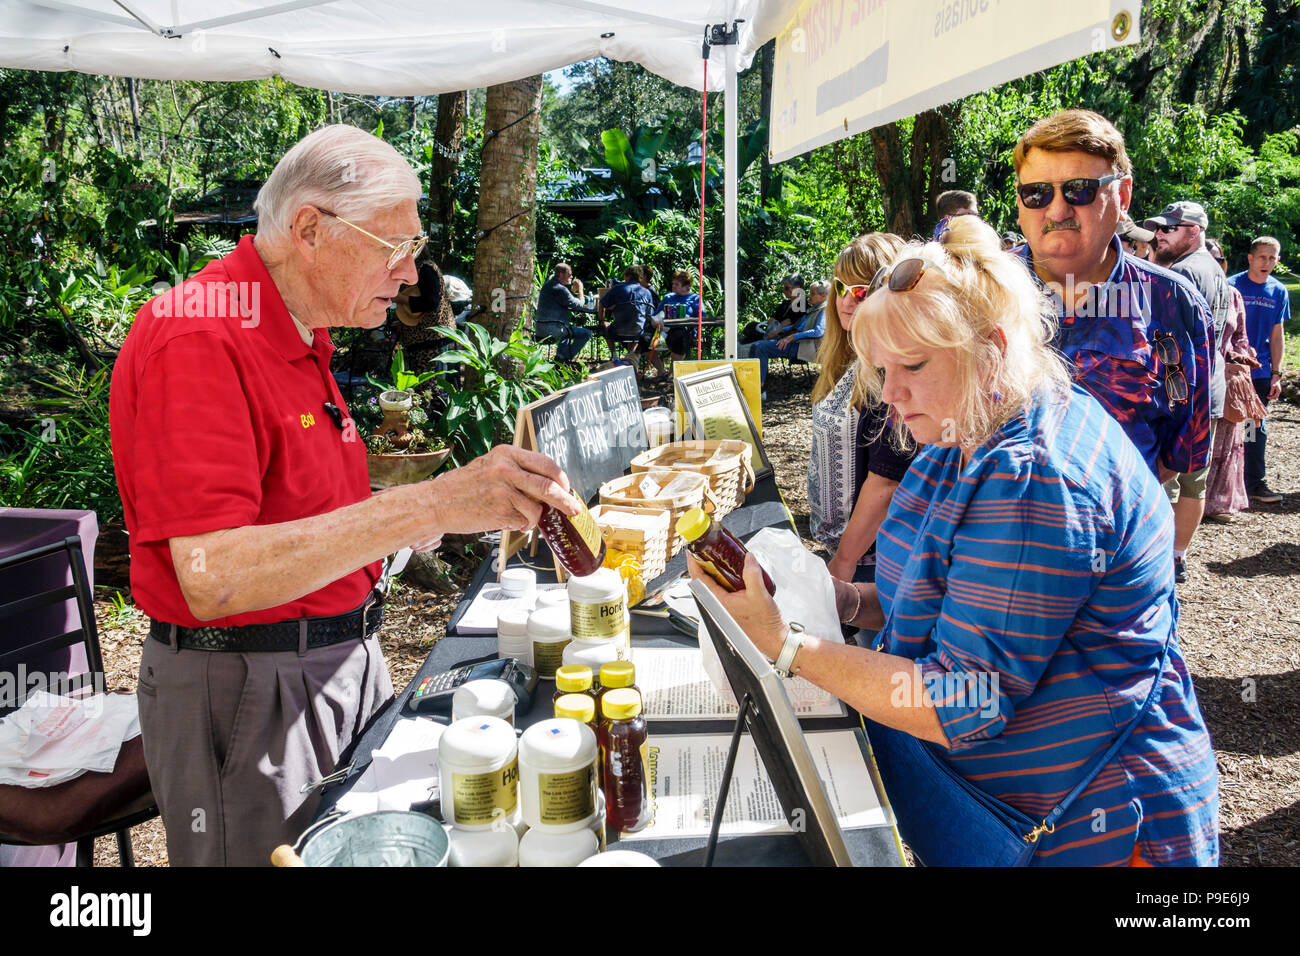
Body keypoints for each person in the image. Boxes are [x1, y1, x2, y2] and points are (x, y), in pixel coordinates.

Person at [109, 124, 580, 866]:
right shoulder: (199, 337)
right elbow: (215, 576)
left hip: (328, 662)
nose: (409, 273)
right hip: (249, 688)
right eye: (395, 247)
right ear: (310, 229)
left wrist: (407, 522)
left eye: (416, 248)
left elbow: (297, 510)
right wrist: (431, 505)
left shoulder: (295, 330)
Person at [689, 216, 1219, 866]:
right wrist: (848, 601)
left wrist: (784, 645)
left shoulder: (1032, 478)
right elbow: (951, 587)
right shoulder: (973, 423)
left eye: (911, 365)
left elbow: (964, 702)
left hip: (1089, 827)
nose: (891, 394)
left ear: (991, 348)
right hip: (1019, 802)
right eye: (881, 369)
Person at [1012, 109, 1213, 485]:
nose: (1057, 210)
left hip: (1118, 535)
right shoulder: (974, 293)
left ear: (1122, 195)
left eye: (1080, 189)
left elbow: (1179, 450)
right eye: (1036, 193)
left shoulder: (1173, 304)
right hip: (988, 537)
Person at [808, 233, 912, 591]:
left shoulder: (890, 366)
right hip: (848, 549)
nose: (847, 300)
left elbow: (886, 481)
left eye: (862, 290)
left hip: (879, 559)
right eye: (840, 286)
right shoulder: (851, 358)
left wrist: (844, 562)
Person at [1143, 201, 1232, 583]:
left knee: (1165, 476)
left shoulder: (1183, 273)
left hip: (1182, 395)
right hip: (1207, 390)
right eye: (1159, 229)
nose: (1160, 235)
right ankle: (1177, 556)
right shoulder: (1213, 268)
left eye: (1169, 229)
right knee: (1194, 478)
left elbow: (1170, 348)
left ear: (1194, 231)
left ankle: (1157, 558)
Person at [1229, 236, 1290, 504]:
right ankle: (1225, 483)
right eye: (1263, 257)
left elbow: (1277, 336)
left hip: (1261, 372)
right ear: (1250, 258)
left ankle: (1253, 482)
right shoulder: (1232, 285)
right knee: (1229, 425)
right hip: (1232, 369)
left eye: (1273, 257)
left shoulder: (1278, 292)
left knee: (1255, 428)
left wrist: (1276, 372)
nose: (1267, 262)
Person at [1204, 238, 1260, 520]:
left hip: (1227, 374)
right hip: (1198, 374)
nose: (1213, 265)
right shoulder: (1189, 288)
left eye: (1217, 260)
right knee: (1202, 440)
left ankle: (1219, 502)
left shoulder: (1233, 295)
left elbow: (1241, 337)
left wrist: (1242, 356)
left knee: (1228, 438)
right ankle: (1193, 502)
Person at [750, 279, 827, 393]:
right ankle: (755, 384)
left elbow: (818, 331)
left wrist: (792, 337)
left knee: (760, 347)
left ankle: (760, 388)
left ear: (824, 295)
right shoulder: (812, 309)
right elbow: (799, 327)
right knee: (756, 346)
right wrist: (779, 331)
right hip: (798, 344)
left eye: (812, 294)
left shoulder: (824, 310)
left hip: (806, 348)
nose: (809, 296)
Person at [598, 265, 663, 378]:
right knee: (638, 328)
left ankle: (615, 356)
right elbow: (649, 314)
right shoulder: (646, 292)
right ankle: (630, 358)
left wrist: (602, 320)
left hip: (618, 330)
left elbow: (602, 303)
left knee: (607, 328)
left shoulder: (617, 289)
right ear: (639, 277)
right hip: (638, 331)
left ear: (626, 276)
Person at [535, 262, 596, 362]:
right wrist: (580, 289)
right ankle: (565, 359)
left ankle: (561, 357)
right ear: (561, 275)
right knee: (586, 333)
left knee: (567, 331)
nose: (571, 276)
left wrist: (572, 291)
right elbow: (578, 305)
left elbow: (565, 301)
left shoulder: (548, 285)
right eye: (569, 274)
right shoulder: (560, 289)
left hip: (541, 327)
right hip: (553, 328)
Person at [660, 269, 703, 362]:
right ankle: (662, 371)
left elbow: (701, 317)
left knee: (679, 337)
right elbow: (656, 314)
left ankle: (672, 371)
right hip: (666, 330)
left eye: (677, 284)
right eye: (673, 283)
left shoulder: (695, 298)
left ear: (686, 286)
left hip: (686, 331)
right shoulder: (668, 297)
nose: (673, 286)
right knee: (644, 337)